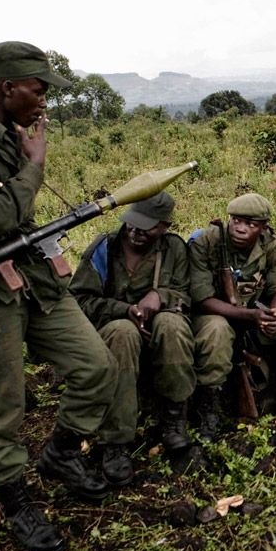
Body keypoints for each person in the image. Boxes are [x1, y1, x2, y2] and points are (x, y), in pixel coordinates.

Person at [0, 41, 117, 551]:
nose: (44, 100)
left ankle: (60, 454)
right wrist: (34, 165)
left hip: (31, 273)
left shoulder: (8, 132)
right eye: (38, 89)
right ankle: (15, 503)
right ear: (8, 87)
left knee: (96, 364)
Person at [69, 190, 196, 481]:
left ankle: (174, 419)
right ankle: (116, 441)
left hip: (158, 333)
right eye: (132, 223)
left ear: (164, 227)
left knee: (172, 325)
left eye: (146, 227)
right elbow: (79, 300)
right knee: (122, 332)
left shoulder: (174, 249)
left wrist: (160, 296)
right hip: (114, 331)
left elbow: (187, 294)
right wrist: (123, 310)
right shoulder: (104, 248)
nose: (136, 232)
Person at [187, 194, 276, 442]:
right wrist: (251, 315)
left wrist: (274, 314)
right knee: (217, 329)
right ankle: (208, 411)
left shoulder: (272, 247)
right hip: (213, 315)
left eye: (250, 224)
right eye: (236, 220)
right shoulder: (206, 242)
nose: (240, 228)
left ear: (263, 228)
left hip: (256, 317)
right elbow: (201, 298)